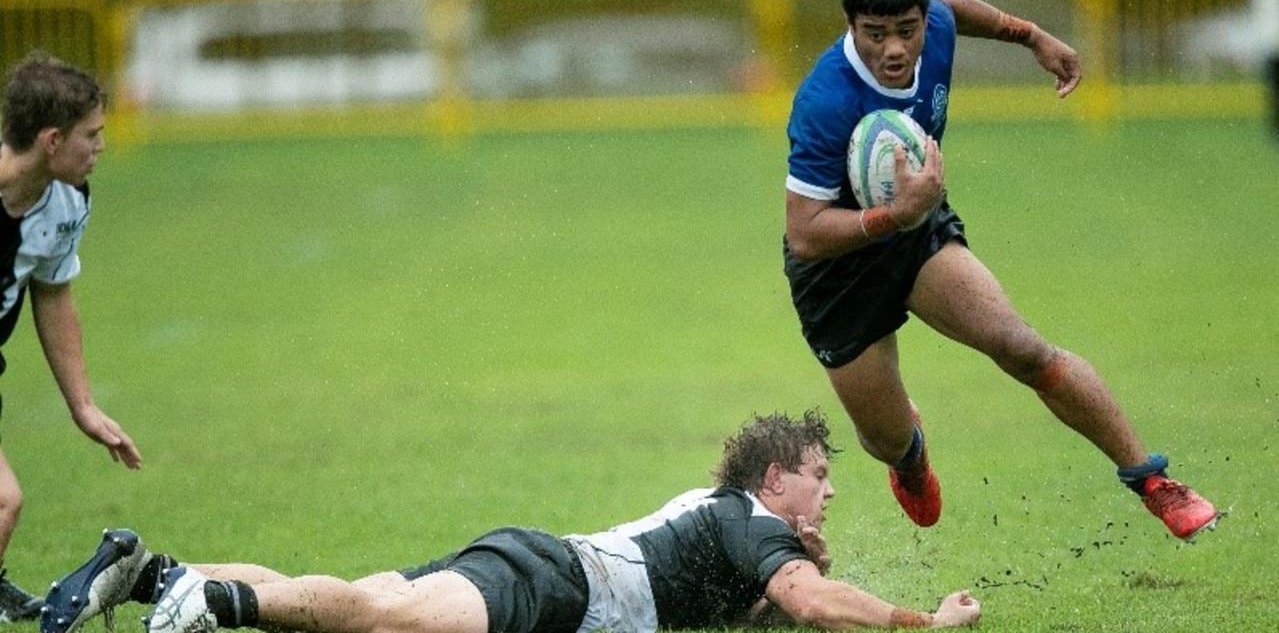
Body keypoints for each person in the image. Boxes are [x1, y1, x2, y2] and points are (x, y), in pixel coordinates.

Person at [782, 0, 1218, 539]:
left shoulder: (933, 21)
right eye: (874, 34)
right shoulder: (824, 101)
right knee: (884, 439)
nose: (893, 49)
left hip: (916, 238)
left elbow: (954, 9)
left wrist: (1031, 35)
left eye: (906, 31)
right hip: (837, 271)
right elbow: (805, 234)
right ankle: (909, 456)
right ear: (849, 24)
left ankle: (1152, 480)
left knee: (1022, 347)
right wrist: (891, 213)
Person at [40, 411, 981, 633]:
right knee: (386, 621)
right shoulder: (749, 523)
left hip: (540, 567)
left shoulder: (733, 518)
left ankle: (156, 570)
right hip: (552, 586)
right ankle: (213, 605)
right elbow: (810, 605)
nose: (828, 493)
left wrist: (795, 570)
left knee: (359, 601)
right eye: (819, 478)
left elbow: (776, 611)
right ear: (775, 478)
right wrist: (922, 620)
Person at [0, 54, 143, 620]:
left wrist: (82, 404)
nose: (101, 146)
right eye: (93, 134)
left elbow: (53, 292)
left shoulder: (67, 201)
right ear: (52, 140)